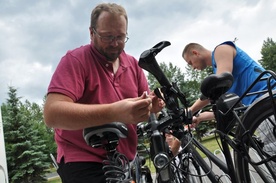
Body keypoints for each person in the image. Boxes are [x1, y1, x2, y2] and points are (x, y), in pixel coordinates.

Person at [43, 3, 163, 182]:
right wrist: (114, 112)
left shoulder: (132, 65)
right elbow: (52, 114)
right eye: (107, 37)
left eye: (121, 37)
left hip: (124, 160)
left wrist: (151, 108)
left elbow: (143, 112)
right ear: (91, 33)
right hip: (83, 160)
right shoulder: (75, 60)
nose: (115, 44)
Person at [182, 41, 273, 124]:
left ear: (195, 53)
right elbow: (230, 107)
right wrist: (200, 117)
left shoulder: (221, 49)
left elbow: (216, 86)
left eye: (190, 63)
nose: (193, 67)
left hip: (269, 98)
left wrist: (191, 109)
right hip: (260, 108)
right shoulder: (220, 71)